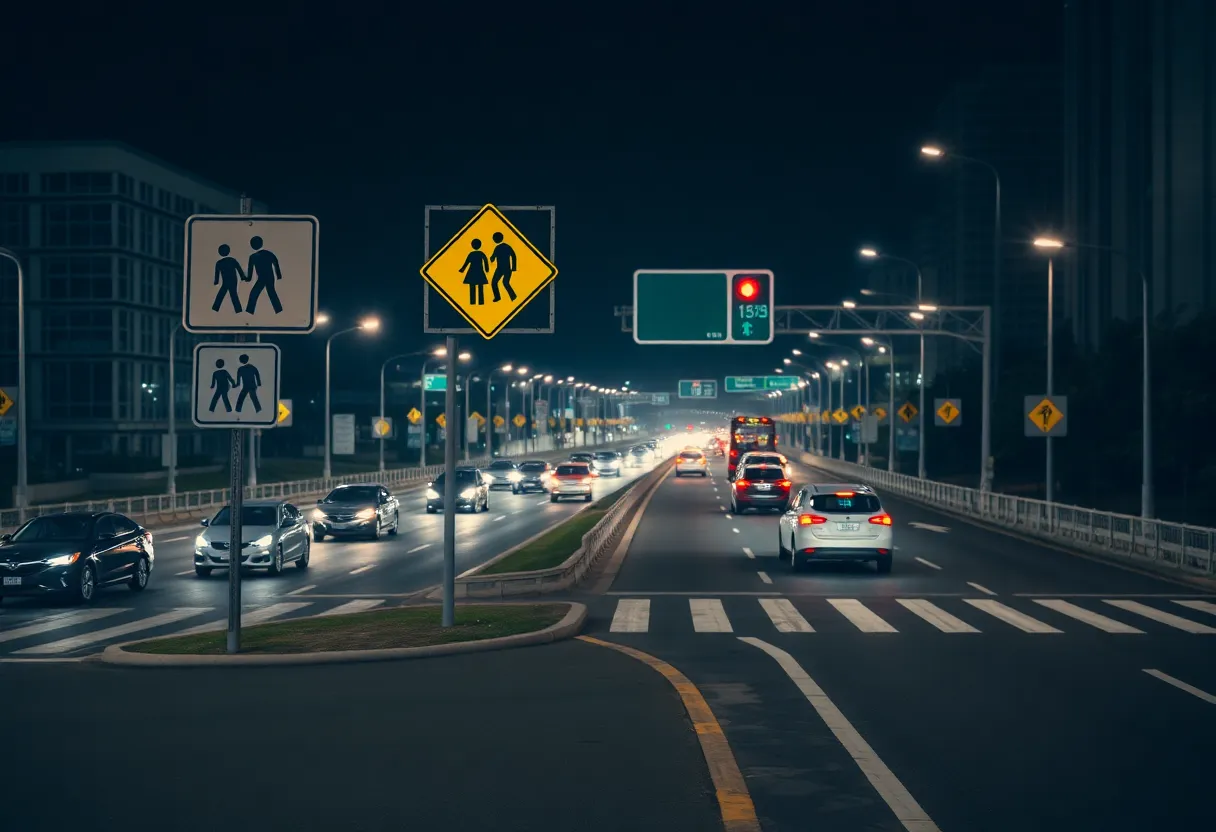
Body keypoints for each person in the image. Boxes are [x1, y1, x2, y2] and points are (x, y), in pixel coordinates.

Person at [246, 236, 284, 315]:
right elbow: (276, 263)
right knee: (268, 292)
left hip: (264, 278)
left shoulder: (253, 257)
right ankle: (278, 310)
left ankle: (249, 311)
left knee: (256, 293)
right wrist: (278, 275)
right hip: (268, 277)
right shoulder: (268, 254)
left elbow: (250, 270)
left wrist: (248, 278)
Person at [211, 244, 247, 313]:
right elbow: (239, 269)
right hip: (233, 281)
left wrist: (216, 281)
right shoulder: (232, 260)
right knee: (233, 294)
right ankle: (238, 310)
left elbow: (217, 273)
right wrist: (242, 277)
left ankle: (216, 308)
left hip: (226, 281)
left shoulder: (219, 263)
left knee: (223, 294)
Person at [459, 239, 490, 305]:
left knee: (473, 287)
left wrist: (462, 269)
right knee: (479, 287)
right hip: (478, 271)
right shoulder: (480, 253)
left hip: (473, 272)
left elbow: (467, 262)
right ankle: (479, 302)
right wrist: (487, 269)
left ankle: (474, 302)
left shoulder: (472, 254)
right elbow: (485, 261)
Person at [489, 231, 518, 302]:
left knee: (502, 283)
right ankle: (507, 297)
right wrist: (513, 267)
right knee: (498, 282)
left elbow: (493, 258)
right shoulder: (505, 247)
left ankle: (512, 296)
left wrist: (514, 267)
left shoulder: (498, 248)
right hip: (501, 269)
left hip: (505, 268)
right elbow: (513, 256)